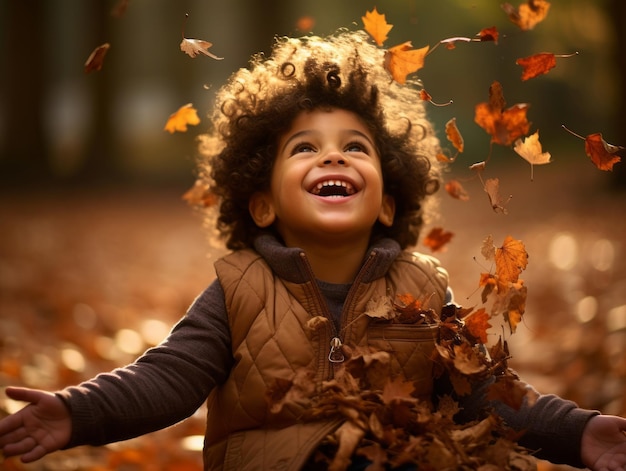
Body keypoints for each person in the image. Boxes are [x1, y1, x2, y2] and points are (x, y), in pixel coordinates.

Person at [1, 30, 625, 471]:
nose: (333, 155)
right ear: (263, 202)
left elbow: (486, 393)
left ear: (387, 200)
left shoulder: (424, 290)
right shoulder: (238, 289)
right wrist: (74, 414)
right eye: (304, 148)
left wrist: (579, 434)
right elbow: (168, 379)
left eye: (356, 146)